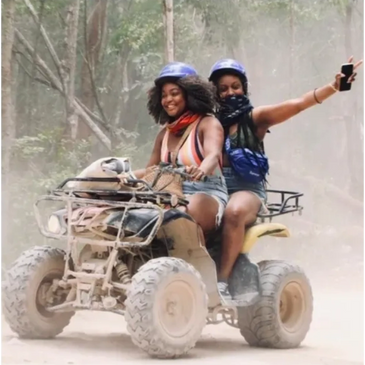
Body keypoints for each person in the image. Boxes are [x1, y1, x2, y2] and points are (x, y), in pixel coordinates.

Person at [208, 56, 363, 301]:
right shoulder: (208, 123)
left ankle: (222, 283)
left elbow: (299, 104)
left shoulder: (255, 118)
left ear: (244, 88)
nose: (229, 93)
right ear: (214, 93)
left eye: (235, 87)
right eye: (223, 89)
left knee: (234, 212)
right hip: (213, 188)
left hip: (246, 190)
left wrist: (334, 86)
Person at [134, 61, 228, 236]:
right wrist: (123, 176)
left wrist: (201, 170)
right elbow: (150, 171)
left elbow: (213, 154)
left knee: (180, 216)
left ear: (190, 95)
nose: (168, 100)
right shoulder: (164, 134)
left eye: (174, 93)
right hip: (167, 193)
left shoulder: (208, 123)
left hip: (206, 191)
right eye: (164, 95)